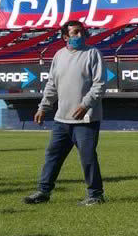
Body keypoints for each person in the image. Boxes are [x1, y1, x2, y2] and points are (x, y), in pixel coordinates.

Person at [23, 21, 106, 205]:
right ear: (65, 37)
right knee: (52, 155)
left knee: (88, 158)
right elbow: (52, 84)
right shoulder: (59, 56)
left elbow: (100, 84)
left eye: (81, 32)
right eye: (75, 33)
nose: (79, 36)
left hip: (85, 119)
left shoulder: (93, 54)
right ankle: (43, 192)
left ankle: (95, 195)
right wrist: (43, 107)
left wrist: (85, 104)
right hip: (62, 119)